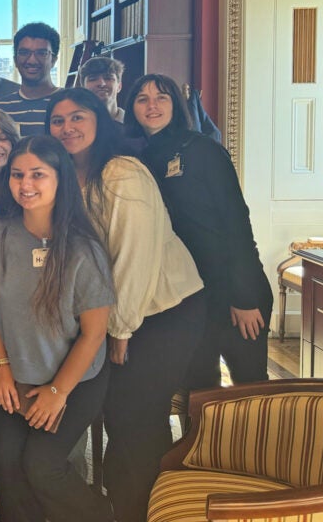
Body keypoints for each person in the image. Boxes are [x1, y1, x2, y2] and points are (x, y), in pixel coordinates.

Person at [47, 88, 204, 522]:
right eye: (57, 121)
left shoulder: (121, 173)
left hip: (160, 311)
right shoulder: (63, 177)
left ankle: (142, 511)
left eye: (77, 118)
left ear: (99, 121)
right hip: (117, 313)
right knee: (121, 416)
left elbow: (134, 256)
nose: (67, 128)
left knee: (134, 421)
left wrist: (119, 329)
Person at [0, 135, 116, 522]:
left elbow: (94, 334)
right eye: (18, 174)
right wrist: (0, 365)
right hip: (15, 375)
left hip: (75, 380)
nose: (26, 184)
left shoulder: (85, 249)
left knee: (42, 466)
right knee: (12, 468)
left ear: (60, 179)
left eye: (38, 174)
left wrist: (57, 391)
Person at [125, 73, 271, 389]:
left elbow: (237, 223)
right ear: (132, 109)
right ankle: (208, 442)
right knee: (200, 385)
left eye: (161, 97)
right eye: (142, 99)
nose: (152, 106)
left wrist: (244, 297)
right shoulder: (142, 159)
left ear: (176, 105)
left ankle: (254, 441)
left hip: (233, 287)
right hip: (191, 293)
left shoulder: (203, 149)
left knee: (251, 389)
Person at [0, 22, 61, 136]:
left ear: (53, 60)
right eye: (24, 53)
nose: (32, 60)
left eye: (41, 53)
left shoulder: (70, 104)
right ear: (15, 60)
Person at [79, 56, 125, 122]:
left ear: (119, 86)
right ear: (83, 88)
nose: (102, 84)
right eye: (93, 79)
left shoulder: (136, 123)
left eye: (108, 78)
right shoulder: (74, 125)